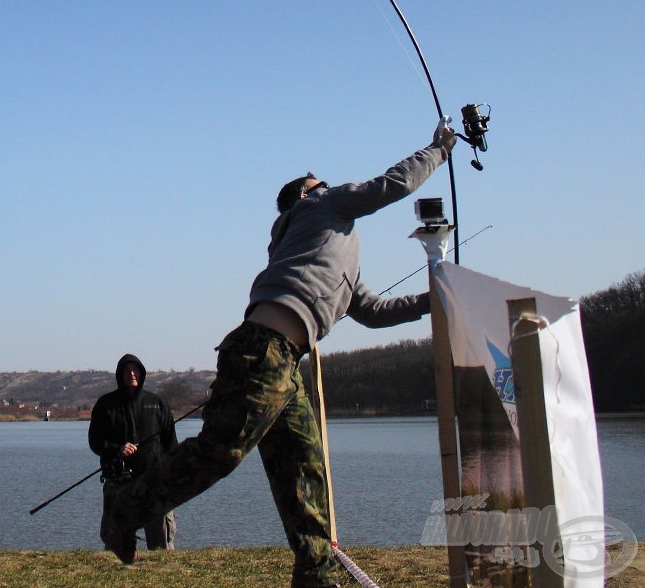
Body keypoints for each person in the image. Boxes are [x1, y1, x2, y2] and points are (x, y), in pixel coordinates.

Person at [103, 123, 456, 582]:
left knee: (304, 473)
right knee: (219, 452)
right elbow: (393, 184)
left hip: (284, 364)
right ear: (306, 197)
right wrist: (439, 149)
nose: (328, 185)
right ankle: (125, 506)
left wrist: (435, 300)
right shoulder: (322, 207)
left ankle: (317, 572)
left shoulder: (327, 247)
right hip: (261, 353)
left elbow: (373, 310)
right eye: (319, 183)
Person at [88, 353, 179, 551]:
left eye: (135, 369)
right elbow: (95, 442)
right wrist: (117, 449)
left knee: (161, 543)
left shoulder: (157, 404)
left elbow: (171, 445)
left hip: (154, 481)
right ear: (119, 375)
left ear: (142, 373)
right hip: (119, 481)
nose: (131, 374)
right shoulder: (106, 405)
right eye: (126, 370)